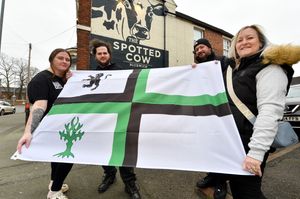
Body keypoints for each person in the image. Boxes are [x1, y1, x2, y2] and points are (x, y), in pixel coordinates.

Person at [221, 25, 295, 198]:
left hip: (249, 144)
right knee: (240, 190)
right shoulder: (236, 71)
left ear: (261, 42)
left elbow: (270, 112)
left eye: (250, 38)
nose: (244, 42)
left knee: (247, 193)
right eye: (239, 40)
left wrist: (256, 153)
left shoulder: (270, 68)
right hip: (234, 141)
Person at [17, 48, 73, 199]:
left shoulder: (63, 79)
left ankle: (55, 183)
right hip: (51, 128)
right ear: (51, 60)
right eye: (60, 58)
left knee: (57, 157)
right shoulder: (41, 79)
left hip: (64, 126)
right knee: (69, 157)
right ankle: (54, 192)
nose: (64, 61)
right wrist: (28, 131)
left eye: (67, 59)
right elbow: (39, 107)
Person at [90, 39, 141, 199]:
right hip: (102, 119)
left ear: (109, 54)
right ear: (95, 56)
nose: (103, 55)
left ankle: (130, 184)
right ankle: (109, 175)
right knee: (103, 150)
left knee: (124, 151)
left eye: (105, 53)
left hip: (121, 117)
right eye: (100, 53)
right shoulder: (92, 74)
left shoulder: (121, 70)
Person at [193, 38, 229, 199]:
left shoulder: (223, 61)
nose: (199, 51)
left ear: (209, 48)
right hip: (205, 112)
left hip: (222, 111)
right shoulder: (196, 68)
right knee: (208, 146)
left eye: (202, 47)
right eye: (196, 49)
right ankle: (212, 176)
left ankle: (221, 182)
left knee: (221, 147)